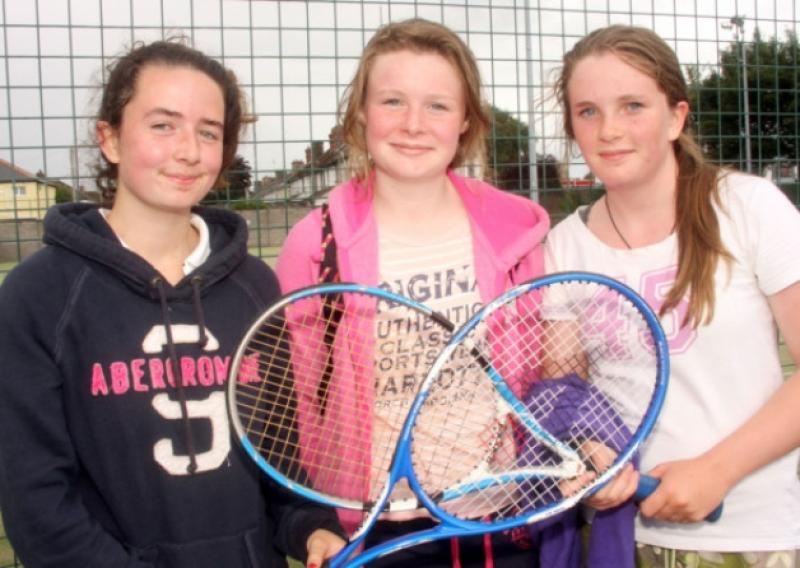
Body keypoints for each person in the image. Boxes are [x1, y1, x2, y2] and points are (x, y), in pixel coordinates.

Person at [0, 39, 346, 568]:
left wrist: (310, 528)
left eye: (208, 132)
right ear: (110, 138)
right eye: (163, 125)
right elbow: (38, 504)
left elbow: (280, 459)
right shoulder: (37, 295)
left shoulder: (254, 286)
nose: (188, 150)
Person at [276, 18, 550, 568]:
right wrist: (318, 520)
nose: (413, 125)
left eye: (437, 106)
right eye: (393, 101)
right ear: (361, 113)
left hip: (496, 517)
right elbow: (297, 400)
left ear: (465, 120)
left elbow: (539, 371)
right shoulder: (314, 243)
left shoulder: (516, 232)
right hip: (375, 527)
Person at [545, 24, 800, 566]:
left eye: (633, 105)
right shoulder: (564, 245)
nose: (609, 129)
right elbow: (564, 389)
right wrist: (591, 457)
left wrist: (716, 472)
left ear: (676, 117)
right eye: (588, 111)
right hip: (617, 541)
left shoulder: (749, 207)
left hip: (750, 537)